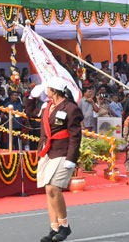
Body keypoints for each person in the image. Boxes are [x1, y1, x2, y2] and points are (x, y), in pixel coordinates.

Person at [35, 77, 82, 242]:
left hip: (63, 152)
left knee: (54, 189)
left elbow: (75, 135)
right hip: (47, 151)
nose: (45, 90)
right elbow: (30, 115)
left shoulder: (70, 108)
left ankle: (64, 226)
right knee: (49, 190)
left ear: (54, 90)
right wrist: (30, 97)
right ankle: (54, 228)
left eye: (47, 88)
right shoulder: (47, 106)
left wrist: (72, 158)